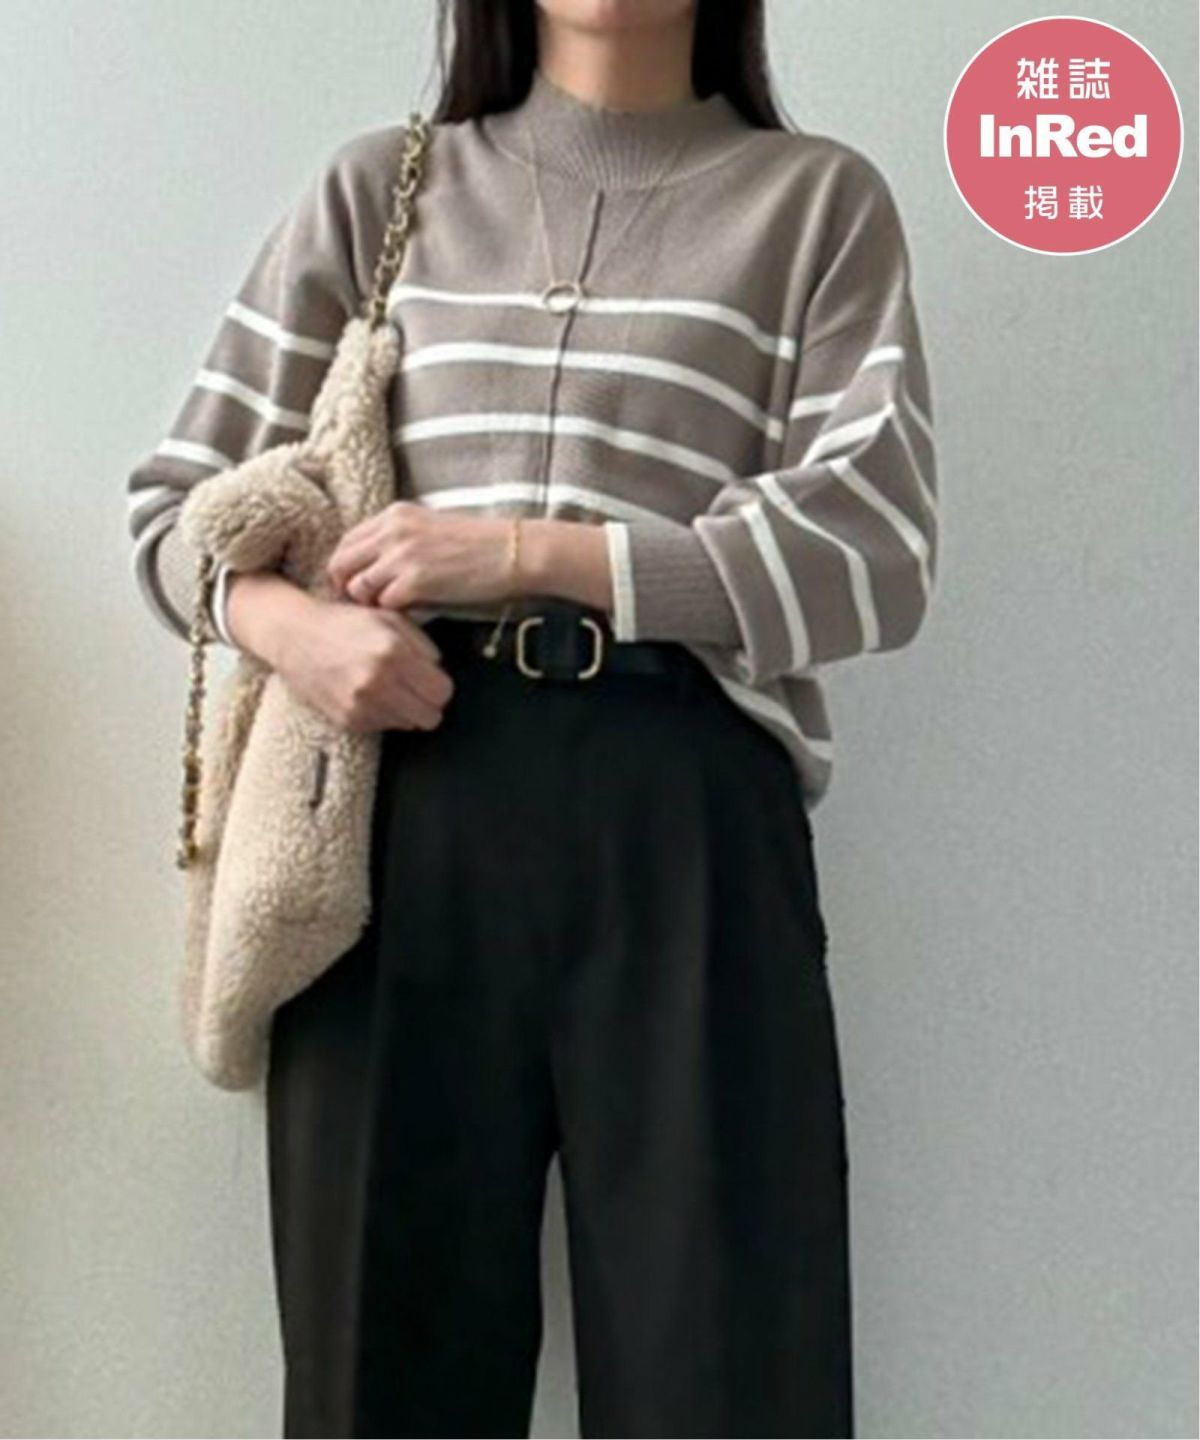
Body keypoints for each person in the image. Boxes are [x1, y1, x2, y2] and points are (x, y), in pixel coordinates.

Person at [125, 1, 939, 1435]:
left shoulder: (814, 205)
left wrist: (528, 553)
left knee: (726, 1382)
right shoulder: (380, 190)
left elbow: (872, 553)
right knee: (382, 1383)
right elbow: (173, 515)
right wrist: (302, 635)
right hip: (395, 819)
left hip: (686, 825)